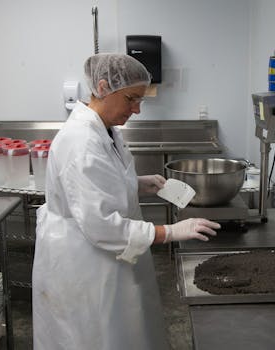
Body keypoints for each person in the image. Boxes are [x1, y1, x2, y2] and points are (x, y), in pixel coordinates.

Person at [31, 53, 221, 350]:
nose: (137, 109)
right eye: (132, 99)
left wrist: (136, 185)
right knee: (94, 337)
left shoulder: (104, 129)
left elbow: (99, 187)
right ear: (104, 87)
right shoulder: (81, 143)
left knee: (120, 332)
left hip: (106, 258)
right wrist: (169, 232)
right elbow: (101, 225)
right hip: (84, 261)